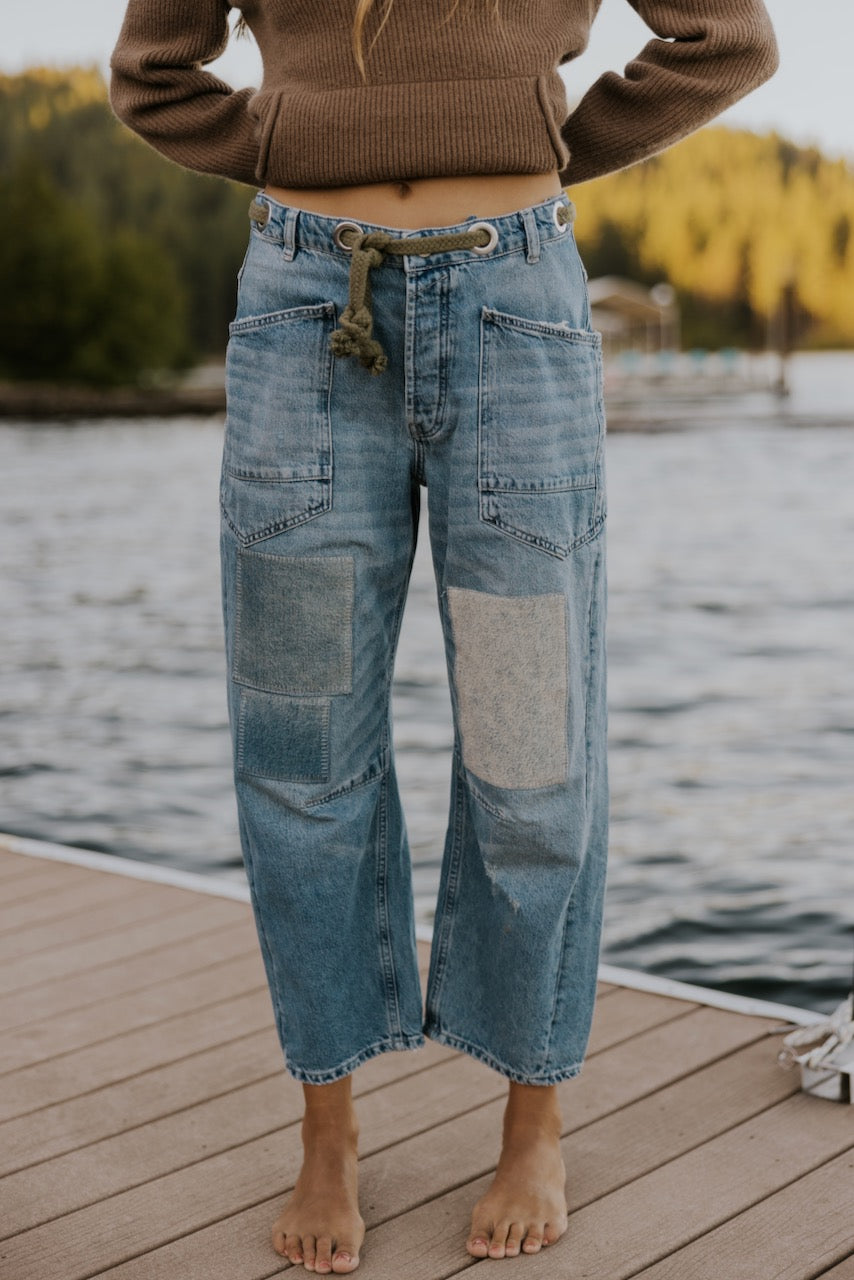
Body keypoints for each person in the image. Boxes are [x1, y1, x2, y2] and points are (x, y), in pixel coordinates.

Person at [109, 0, 779, 1271]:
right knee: (300, 749)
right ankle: (327, 1128)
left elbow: (725, 37)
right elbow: (154, 72)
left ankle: (533, 1117)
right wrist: (293, 141)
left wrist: (538, 144)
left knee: (532, 750)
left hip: (513, 312)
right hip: (304, 313)